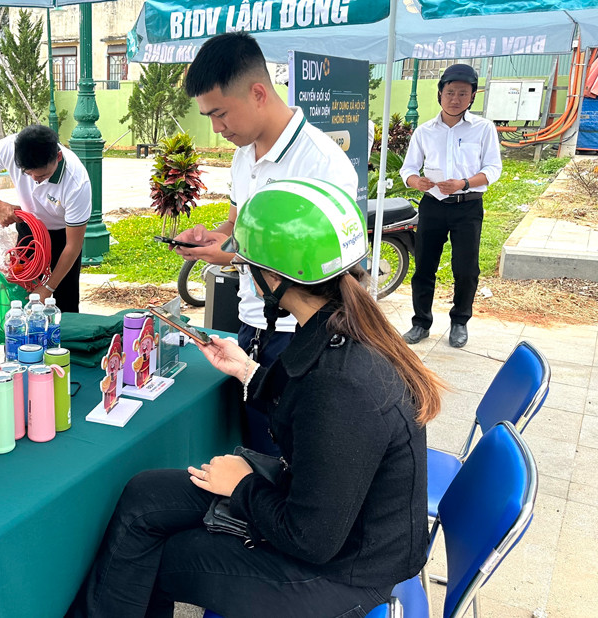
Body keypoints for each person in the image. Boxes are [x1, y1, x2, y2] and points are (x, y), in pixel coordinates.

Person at [68, 180, 442, 618]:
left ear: (274, 277)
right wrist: (248, 370)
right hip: (325, 513)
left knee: (150, 557)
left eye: (247, 268)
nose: (245, 276)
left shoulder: (343, 385)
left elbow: (312, 539)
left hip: (342, 574)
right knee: (145, 494)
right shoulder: (338, 328)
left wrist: (242, 487)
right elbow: (310, 413)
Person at [170, 32, 357, 453]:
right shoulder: (244, 154)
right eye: (209, 118)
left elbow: (327, 269)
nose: (217, 129)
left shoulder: (323, 165)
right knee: (251, 441)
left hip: (302, 331)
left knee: (287, 452)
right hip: (252, 321)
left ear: (258, 93)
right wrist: (210, 238)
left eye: (220, 114)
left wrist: (234, 255)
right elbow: (237, 227)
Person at [399, 64, 502, 348]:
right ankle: (420, 323)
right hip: (433, 205)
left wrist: (465, 183)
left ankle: (459, 322)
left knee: (465, 268)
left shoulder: (483, 128)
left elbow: (493, 168)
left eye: (462, 93)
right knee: (424, 267)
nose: (455, 98)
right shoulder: (424, 131)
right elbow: (407, 169)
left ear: (472, 96)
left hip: (467, 206)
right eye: (450, 92)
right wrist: (414, 181)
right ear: (440, 94)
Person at [0, 124, 92, 313]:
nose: (34, 180)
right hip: (28, 230)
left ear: (57, 157)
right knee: (22, 298)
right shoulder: (9, 147)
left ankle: (63, 340)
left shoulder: (76, 183)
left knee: (64, 304)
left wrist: (47, 288)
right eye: (27, 173)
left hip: (62, 237)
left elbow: (73, 246)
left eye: (42, 175)